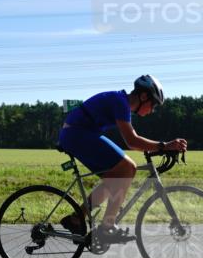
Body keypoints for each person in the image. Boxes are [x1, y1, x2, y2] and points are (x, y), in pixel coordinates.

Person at [57, 75, 186, 242]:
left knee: (113, 179)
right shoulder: (120, 102)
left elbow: (133, 140)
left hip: (78, 134)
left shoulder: (120, 102)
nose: (152, 110)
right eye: (153, 105)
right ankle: (107, 227)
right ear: (143, 96)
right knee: (128, 168)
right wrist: (164, 145)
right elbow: (132, 141)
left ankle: (76, 218)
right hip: (77, 134)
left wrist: (161, 147)